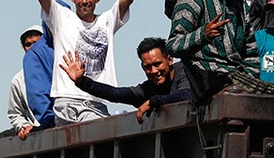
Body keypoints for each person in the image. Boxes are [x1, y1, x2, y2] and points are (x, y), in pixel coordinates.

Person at [7, 0, 150, 124]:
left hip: (96, 100)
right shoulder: (61, 18)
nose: (84, 1)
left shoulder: (107, 21)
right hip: (66, 100)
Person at [167, 0, 259, 99]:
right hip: (205, 77)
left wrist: (249, 79)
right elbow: (173, 45)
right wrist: (203, 35)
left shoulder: (241, 6)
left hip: (236, 78)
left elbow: (251, 52)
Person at [59, 37, 190, 123]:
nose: (154, 71)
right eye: (148, 67)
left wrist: (153, 102)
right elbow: (116, 94)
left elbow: (187, 95)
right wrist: (82, 81)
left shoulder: (187, 70)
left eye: (157, 64)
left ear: (170, 59)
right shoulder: (149, 87)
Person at [8, 25, 43, 139]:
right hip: (37, 135)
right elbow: (15, 114)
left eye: (36, 43)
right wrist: (24, 126)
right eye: (28, 44)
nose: (32, 48)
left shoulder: (61, 69)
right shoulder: (18, 80)